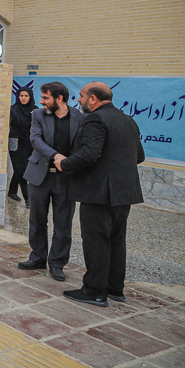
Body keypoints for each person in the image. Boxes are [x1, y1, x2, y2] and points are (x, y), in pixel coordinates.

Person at [57, 82, 145, 306]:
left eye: (82, 96)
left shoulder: (95, 119)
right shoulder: (129, 120)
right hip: (124, 193)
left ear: (93, 99)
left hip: (99, 193)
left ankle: (94, 291)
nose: (79, 99)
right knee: (116, 240)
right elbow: (139, 156)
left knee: (96, 242)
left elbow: (89, 154)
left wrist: (64, 164)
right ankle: (115, 288)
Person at [19, 82, 83, 282]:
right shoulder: (38, 115)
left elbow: (83, 145)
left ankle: (57, 263)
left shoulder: (80, 118)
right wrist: (56, 156)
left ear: (59, 98)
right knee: (37, 220)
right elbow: (36, 140)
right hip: (40, 175)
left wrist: (70, 163)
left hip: (66, 178)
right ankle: (37, 257)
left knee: (63, 223)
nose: (41, 101)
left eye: (45, 97)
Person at [8, 88, 38, 203]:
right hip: (14, 141)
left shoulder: (35, 110)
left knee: (21, 168)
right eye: (21, 96)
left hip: (28, 143)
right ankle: (28, 198)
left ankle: (12, 191)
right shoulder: (13, 109)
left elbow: (39, 126)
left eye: (26, 96)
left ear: (30, 97)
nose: (23, 98)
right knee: (20, 169)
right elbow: (7, 124)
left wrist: (34, 116)